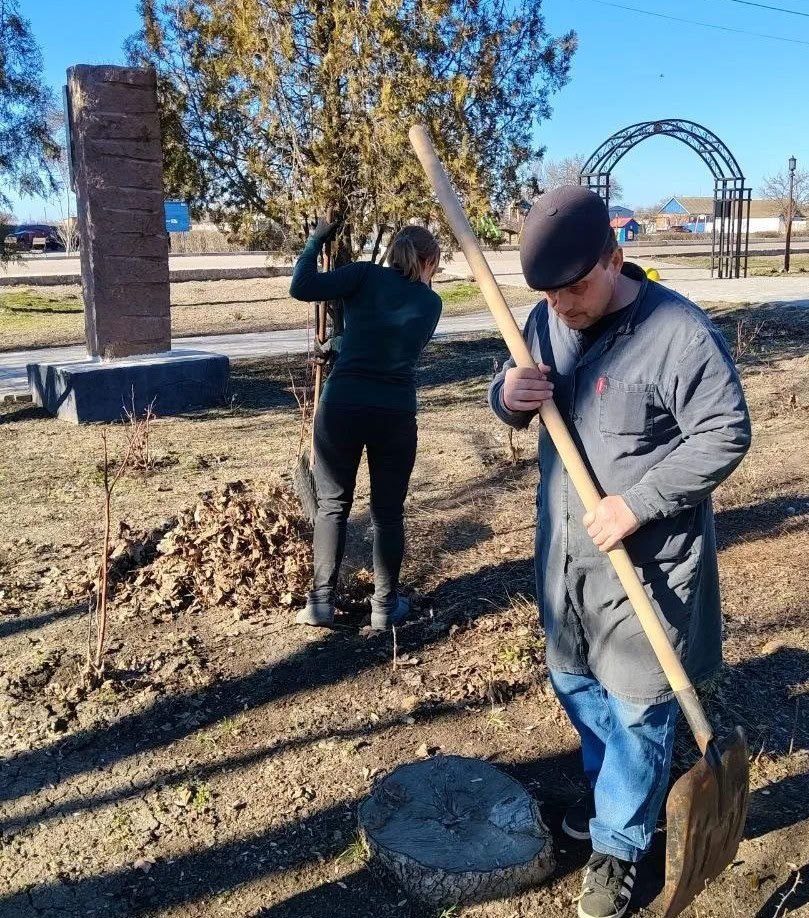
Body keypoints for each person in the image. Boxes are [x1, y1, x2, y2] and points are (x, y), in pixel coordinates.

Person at [488, 186, 751, 918]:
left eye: (575, 287)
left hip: (647, 567)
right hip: (564, 558)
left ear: (615, 257)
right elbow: (504, 395)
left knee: (637, 708)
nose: (561, 305)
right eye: (547, 292)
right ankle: (618, 801)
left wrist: (636, 502)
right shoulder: (546, 319)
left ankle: (620, 846)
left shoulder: (676, 333)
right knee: (574, 684)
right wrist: (508, 394)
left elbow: (725, 432)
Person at [289, 219, 442, 631]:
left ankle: (320, 603)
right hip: (393, 413)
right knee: (388, 513)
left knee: (333, 506)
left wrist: (314, 241)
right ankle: (384, 607)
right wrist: (343, 343)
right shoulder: (431, 304)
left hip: (341, 407)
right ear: (428, 262)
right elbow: (395, 343)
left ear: (392, 253)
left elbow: (301, 287)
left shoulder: (361, 274)